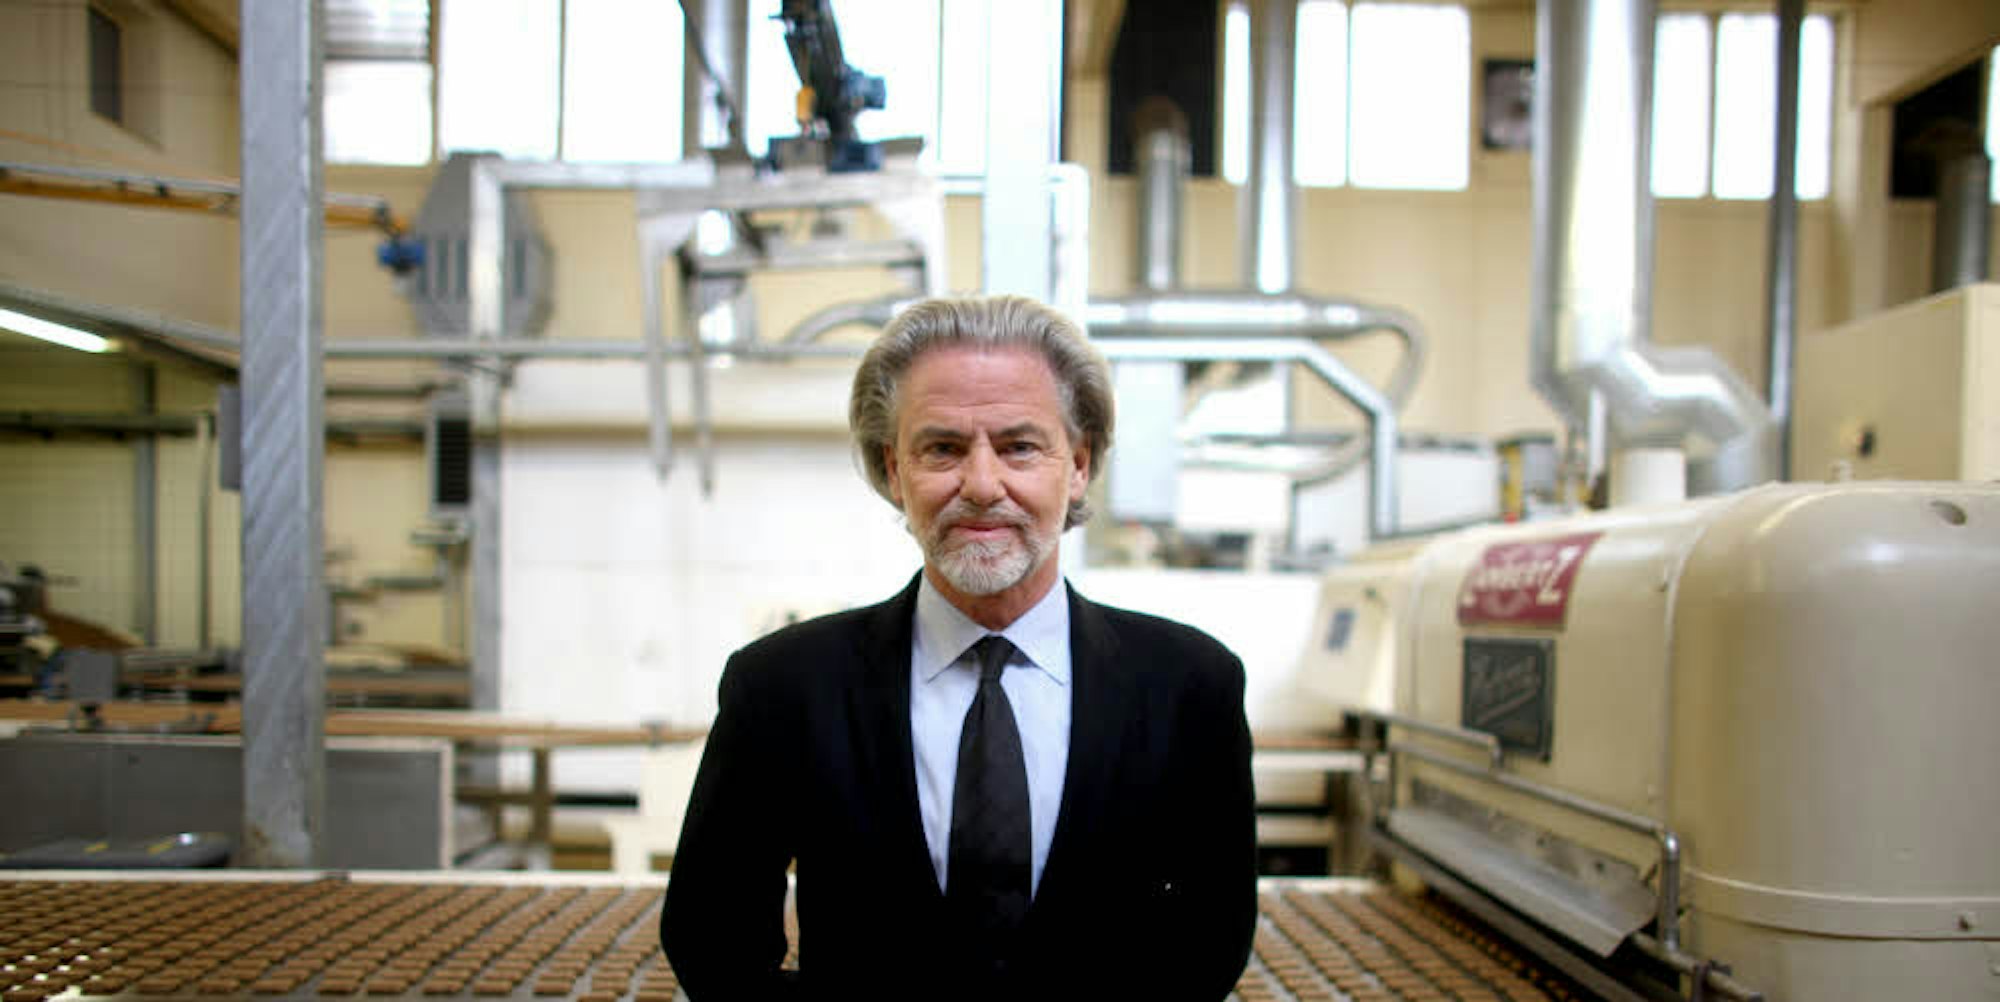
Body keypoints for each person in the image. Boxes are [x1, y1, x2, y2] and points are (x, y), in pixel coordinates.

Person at [661, 295, 1257, 1001]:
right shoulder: (783, 688)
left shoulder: (1190, 687)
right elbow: (711, 937)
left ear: (1078, 465)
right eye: (942, 448)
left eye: (1019, 447)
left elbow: (1210, 941)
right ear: (894, 469)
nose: (980, 485)